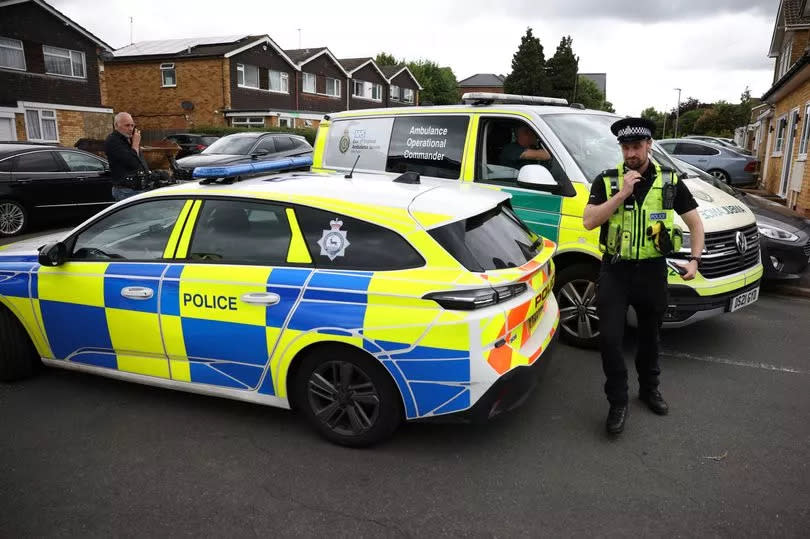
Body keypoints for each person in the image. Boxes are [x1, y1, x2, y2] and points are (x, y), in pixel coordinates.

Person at [582, 117, 705, 436]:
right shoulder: (607, 181)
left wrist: (694, 260)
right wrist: (621, 194)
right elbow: (589, 222)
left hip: (652, 271)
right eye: (625, 147)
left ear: (649, 145)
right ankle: (618, 401)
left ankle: (649, 390)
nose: (631, 153)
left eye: (636, 147)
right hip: (615, 270)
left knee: (650, 337)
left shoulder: (670, 181)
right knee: (609, 338)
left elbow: (695, 223)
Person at [105, 112, 146, 201]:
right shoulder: (113, 141)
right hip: (125, 191)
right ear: (116, 125)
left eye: (132, 125)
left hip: (138, 189)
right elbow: (133, 163)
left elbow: (141, 163)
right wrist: (135, 144)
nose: (131, 129)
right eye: (127, 125)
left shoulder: (129, 139)